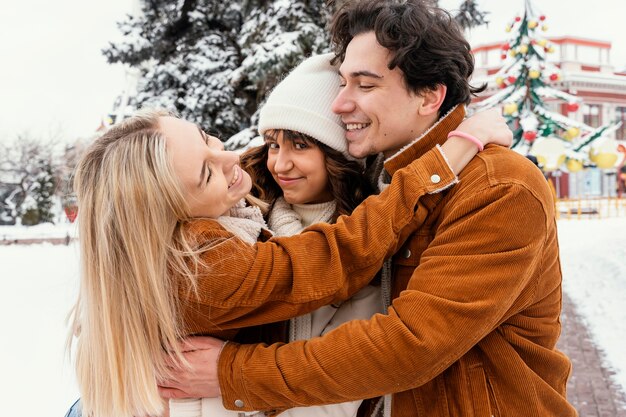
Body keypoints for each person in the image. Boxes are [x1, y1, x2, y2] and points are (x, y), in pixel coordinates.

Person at [158, 1, 575, 416]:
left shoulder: (499, 187)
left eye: (365, 85)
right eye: (342, 82)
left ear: (429, 95)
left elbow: (411, 345)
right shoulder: (377, 179)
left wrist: (233, 373)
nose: (339, 103)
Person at [67, 97, 507, 417]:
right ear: (167, 213)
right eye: (206, 172)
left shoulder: (178, 236)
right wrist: (459, 145)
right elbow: (341, 253)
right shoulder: (202, 268)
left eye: (206, 138)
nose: (229, 157)